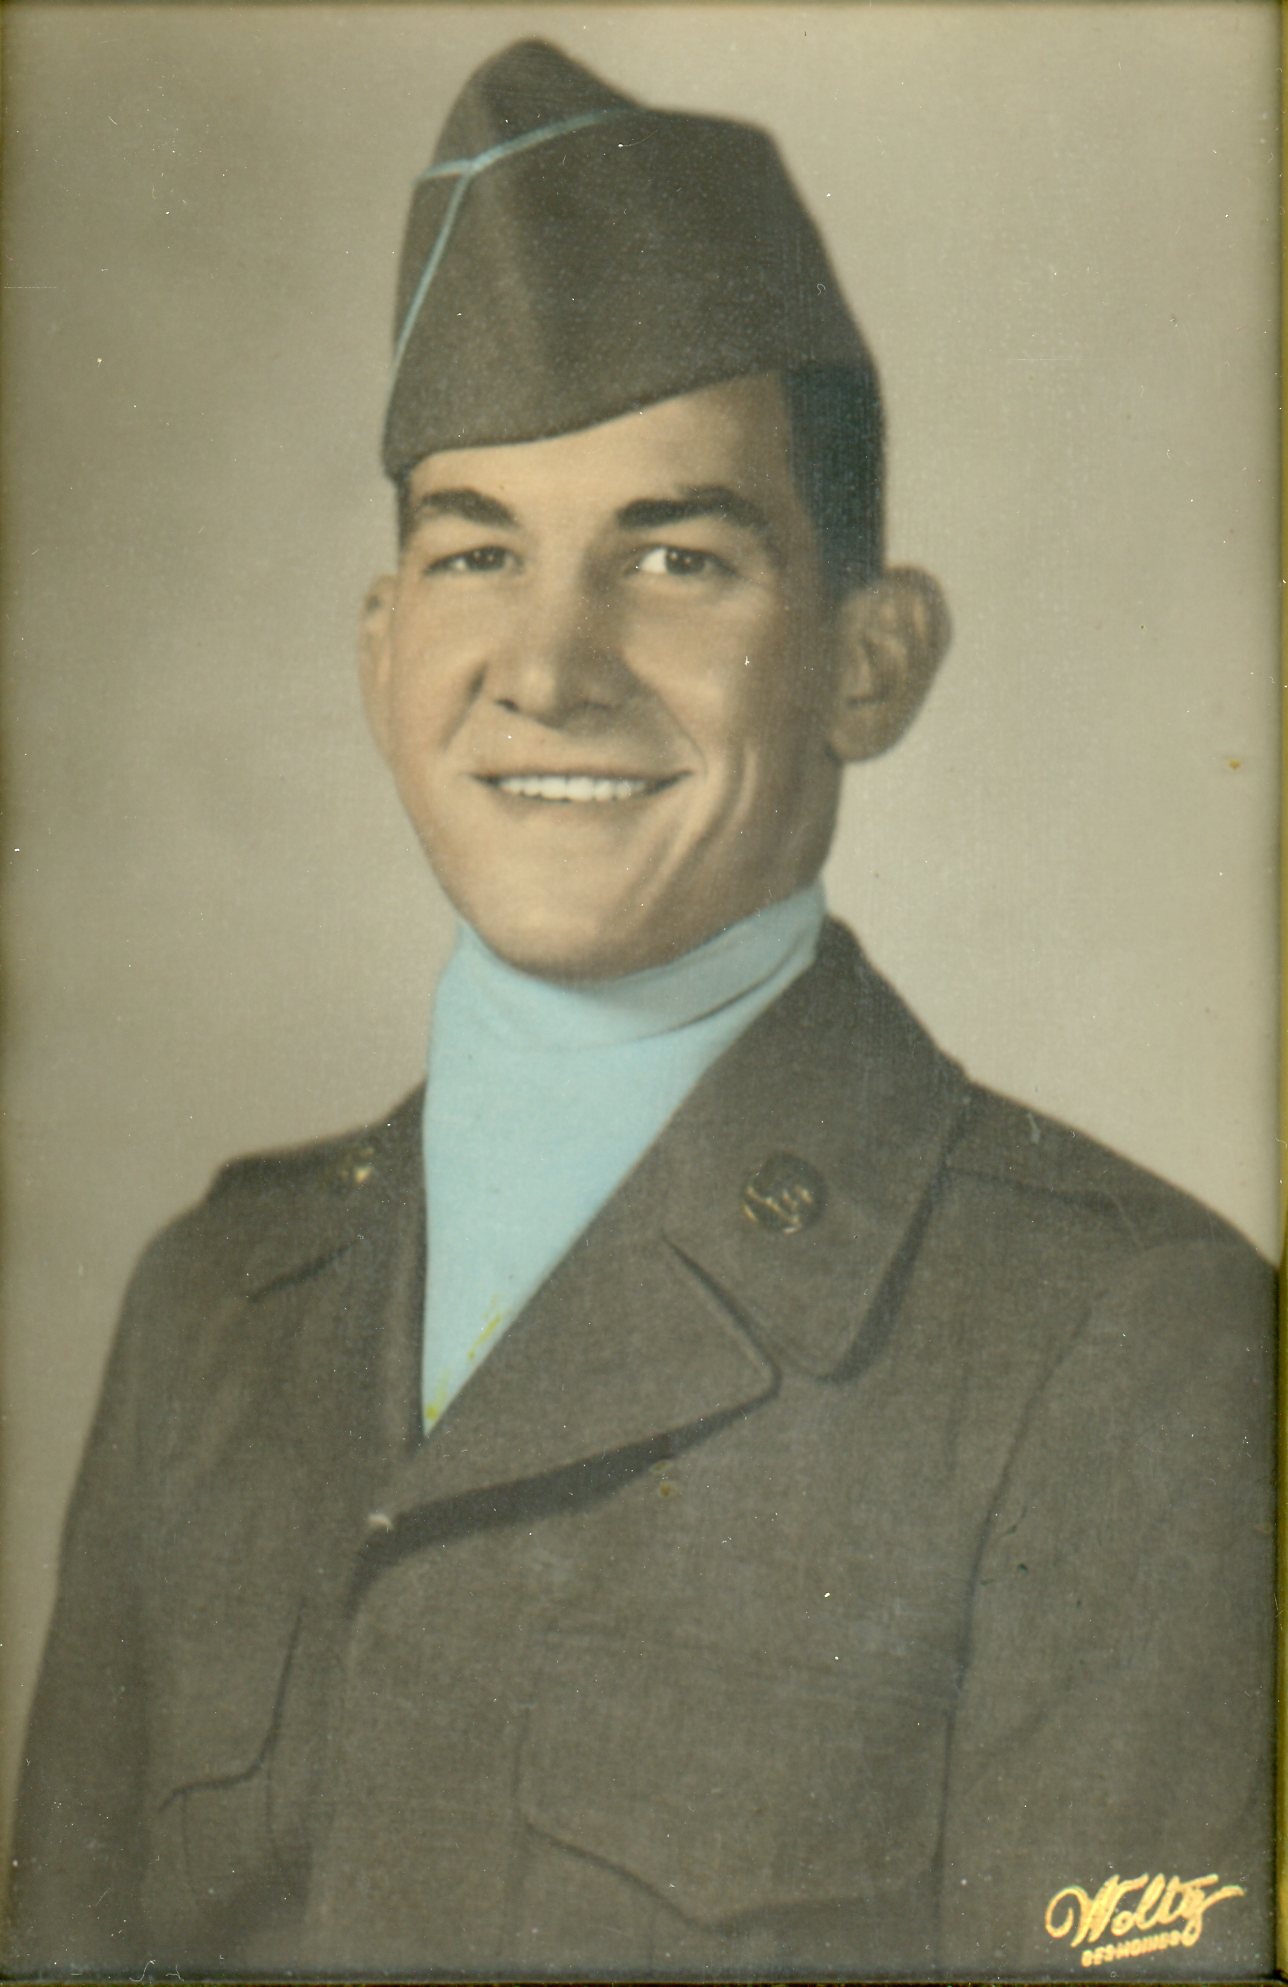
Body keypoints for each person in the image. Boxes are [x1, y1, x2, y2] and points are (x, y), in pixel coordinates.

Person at [8, 39, 1274, 1983]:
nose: (549, 666)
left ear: (869, 661)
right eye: (475, 552)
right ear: (380, 650)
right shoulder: (214, 1309)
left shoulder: (1126, 1354)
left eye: (675, 558)